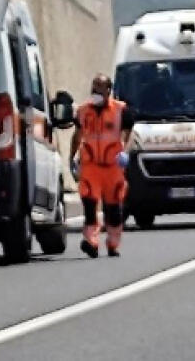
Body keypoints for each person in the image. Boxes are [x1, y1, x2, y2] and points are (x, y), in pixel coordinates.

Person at [69, 74, 135, 258]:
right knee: (89, 203)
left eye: (100, 88)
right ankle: (91, 242)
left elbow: (129, 134)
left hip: (113, 166)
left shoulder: (121, 110)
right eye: (94, 87)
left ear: (108, 90)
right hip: (91, 166)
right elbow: (77, 135)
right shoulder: (83, 111)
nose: (96, 91)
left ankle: (113, 243)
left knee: (113, 208)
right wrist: (72, 156)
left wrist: (125, 152)